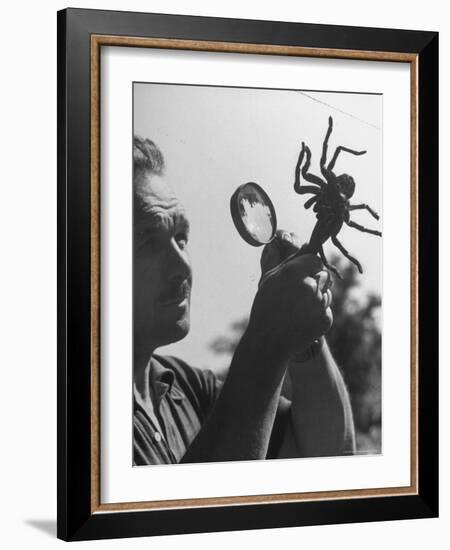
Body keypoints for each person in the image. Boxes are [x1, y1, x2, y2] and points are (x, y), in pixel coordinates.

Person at [133, 136, 355, 466]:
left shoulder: (190, 389)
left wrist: (304, 336)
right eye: (150, 242)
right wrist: (269, 338)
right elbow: (187, 516)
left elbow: (329, 455)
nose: (182, 266)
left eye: (181, 238)